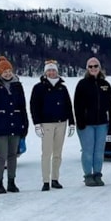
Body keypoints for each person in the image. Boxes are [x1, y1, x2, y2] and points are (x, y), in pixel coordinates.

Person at [0, 56, 29, 194]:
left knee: (12, 155)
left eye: (9, 70)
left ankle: (11, 181)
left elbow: (22, 107)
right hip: (0, 126)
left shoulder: (17, 85)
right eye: (4, 71)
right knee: (1, 155)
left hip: (15, 125)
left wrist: (24, 124)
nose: (7, 73)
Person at [30, 60, 75, 191]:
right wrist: (37, 124)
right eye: (49, 70)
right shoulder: (39, 87)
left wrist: (72, 122)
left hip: (61, 123)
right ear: (45, 72)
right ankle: (45, 181)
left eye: (53, 70)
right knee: (46, 153)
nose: (51, 72)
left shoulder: (62, 88)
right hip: (46, 123)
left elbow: (68, 105)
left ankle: (55, 179)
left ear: (57, 72)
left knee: (57, 153)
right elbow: (34, 106)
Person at [75, 57, 111, 187]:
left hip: (102, 123)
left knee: (99, 151)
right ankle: (88, 176)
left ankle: (97, 174)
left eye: (95, 66)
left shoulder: (105, 85)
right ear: (87, 69)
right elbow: (77, 105)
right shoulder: (82, 84)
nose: (93, 69)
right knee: (88, 151)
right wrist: (80, 121)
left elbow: (110, 106)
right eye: (90, 67)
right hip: (86, 124)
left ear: (99, 67)